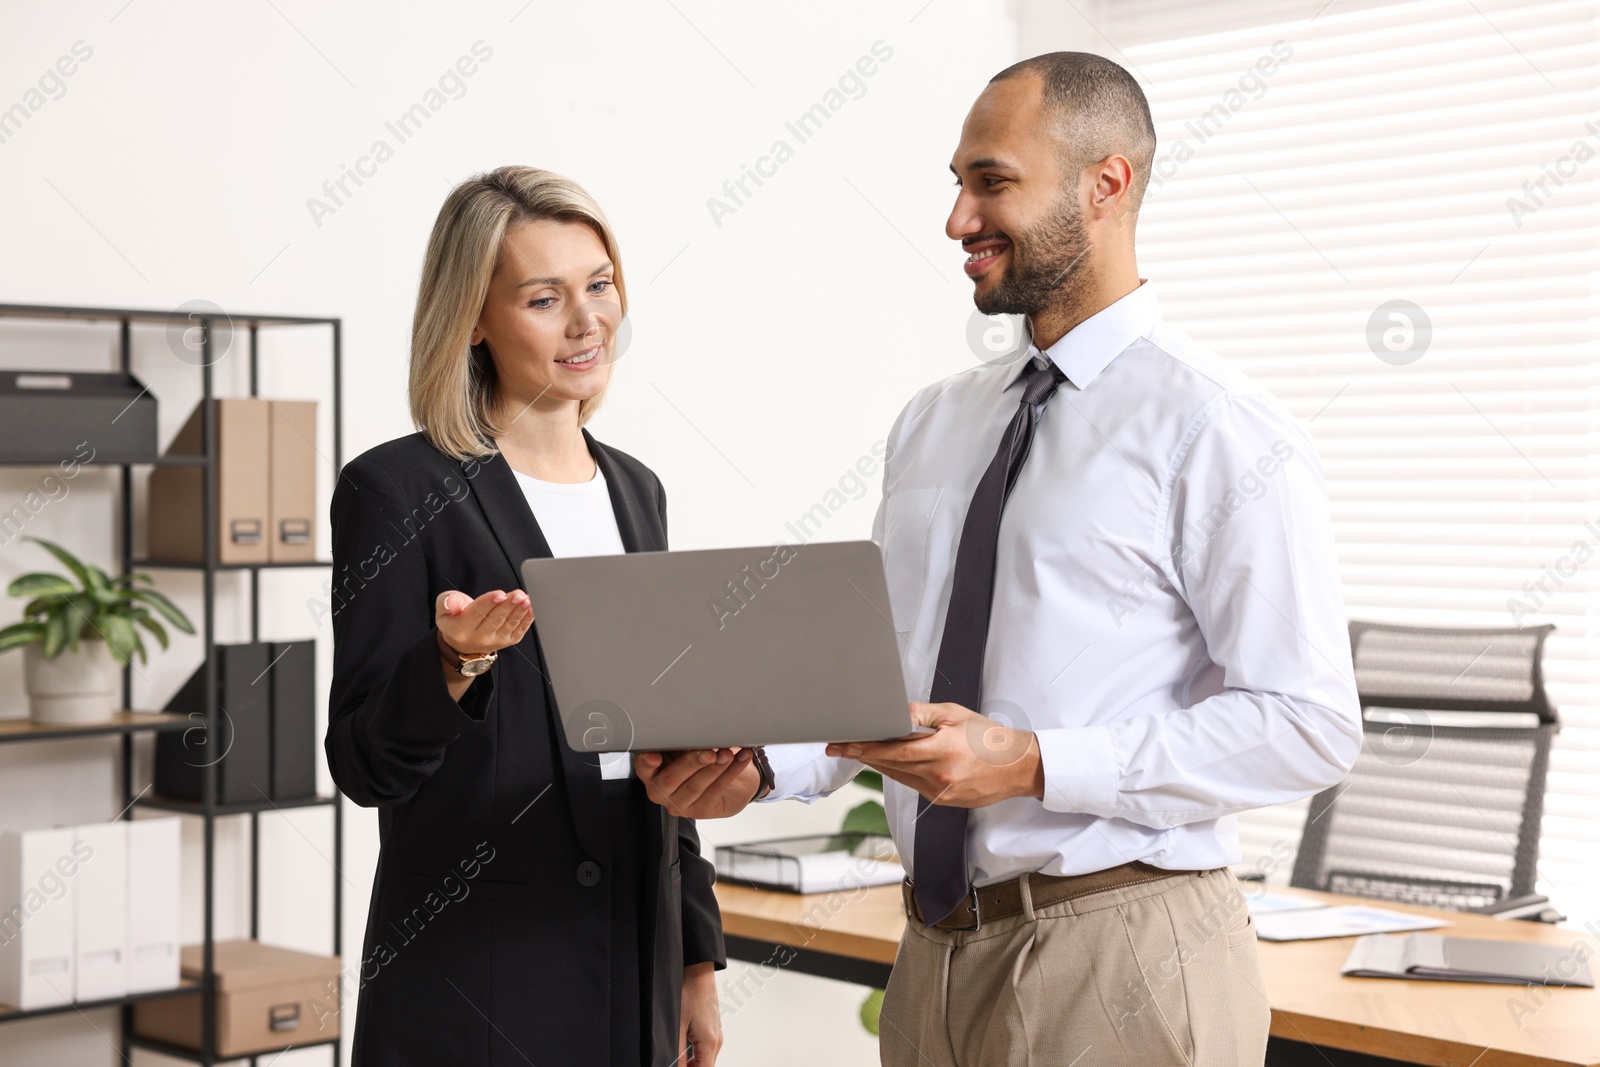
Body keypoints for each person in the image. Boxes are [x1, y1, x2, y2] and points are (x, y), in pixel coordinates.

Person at [637, 53, 1362, 1066]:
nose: (957, 220)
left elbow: (1308, 722)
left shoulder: (1218, 427)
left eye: (992, 182)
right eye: (957, 184)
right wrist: (759, 764)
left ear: (1103, 184)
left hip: (1125, 953)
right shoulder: (936, 423)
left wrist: (1029, 760)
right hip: (935, 954)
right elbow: (887, 685)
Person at [327, 165, 735, 1066]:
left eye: (600, 284)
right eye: (546, 298)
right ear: (474, 318)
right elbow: (361, 762)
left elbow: (668, 733)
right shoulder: (397, 490)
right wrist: (451, 664)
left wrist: (696, 955)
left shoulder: (638, 492)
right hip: (479, 978)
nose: (588, 320)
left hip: (634, 961)